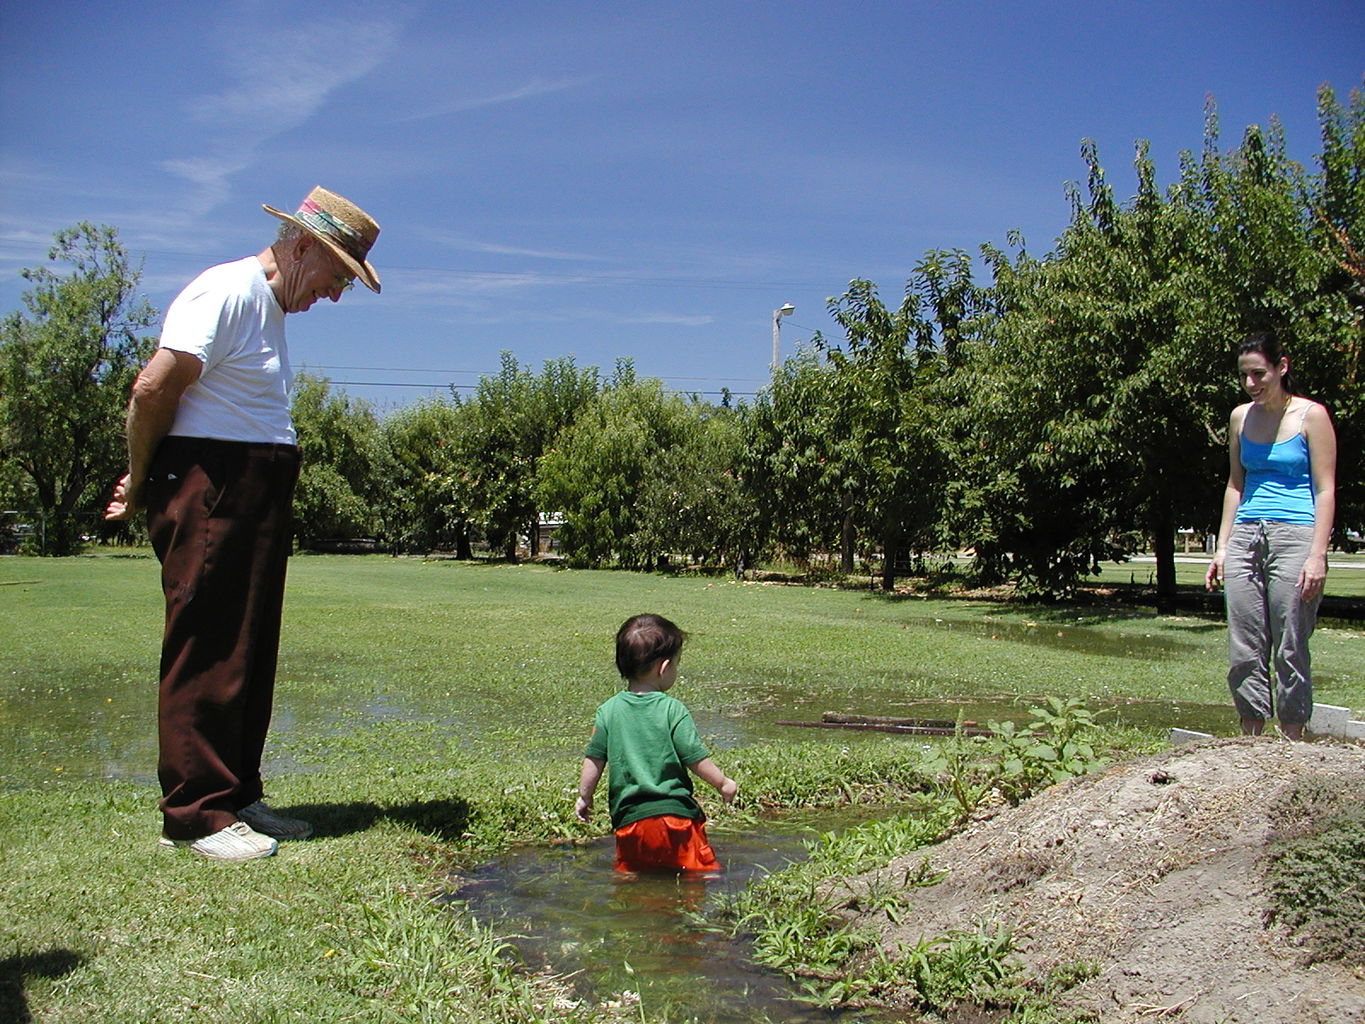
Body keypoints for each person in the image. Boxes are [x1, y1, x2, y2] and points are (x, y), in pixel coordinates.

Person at [104, 186, 381, 860]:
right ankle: (196, 814)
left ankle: (236, 795)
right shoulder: (225, 290)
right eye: (336, 276)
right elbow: (152, 388)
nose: (335, 295)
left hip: (248, 486)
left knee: (247, 649)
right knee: (208, 646)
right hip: (210, 487)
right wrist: (140, 480)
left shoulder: (268, 309)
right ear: (303, 245)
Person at [1204, 330, 1337, 741]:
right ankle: (1250, 737)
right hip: (1246, 533)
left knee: (1291, 641)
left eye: (1259, 374)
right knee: (1244, 641)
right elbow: (1235, 484)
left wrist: (1317, 555)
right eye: (1245, 376)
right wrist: (1223, 548)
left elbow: (1326, 488)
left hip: (1296, 534)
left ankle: (1292, 737)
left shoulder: (1311, 416)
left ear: (1282, 367)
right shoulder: (1240, 417)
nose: (1251, 384)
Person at [575, 614, 738, 873]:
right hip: (676, 819)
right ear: (663, 668)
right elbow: (694, 758)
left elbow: (594, 759)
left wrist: (585, 796)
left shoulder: (608, 711)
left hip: (630, 823)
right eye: (676, 664)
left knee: (632, 877)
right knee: (700, 875)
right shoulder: (672, 709)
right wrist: (723, 783)